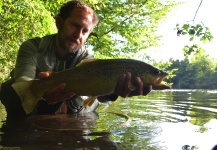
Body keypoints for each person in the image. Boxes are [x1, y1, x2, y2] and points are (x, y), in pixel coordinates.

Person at [0, 0, 152, 117]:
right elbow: (23, 82)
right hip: (35, 107)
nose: (78, 35)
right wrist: (42, 94)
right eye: (75, 26)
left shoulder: (88, 59)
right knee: (9, 89)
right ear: (59, 22)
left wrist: (114, 92)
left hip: (73, 108)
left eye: (85, 31)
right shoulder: (33, 47)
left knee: (85, 105)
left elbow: (98, 94)